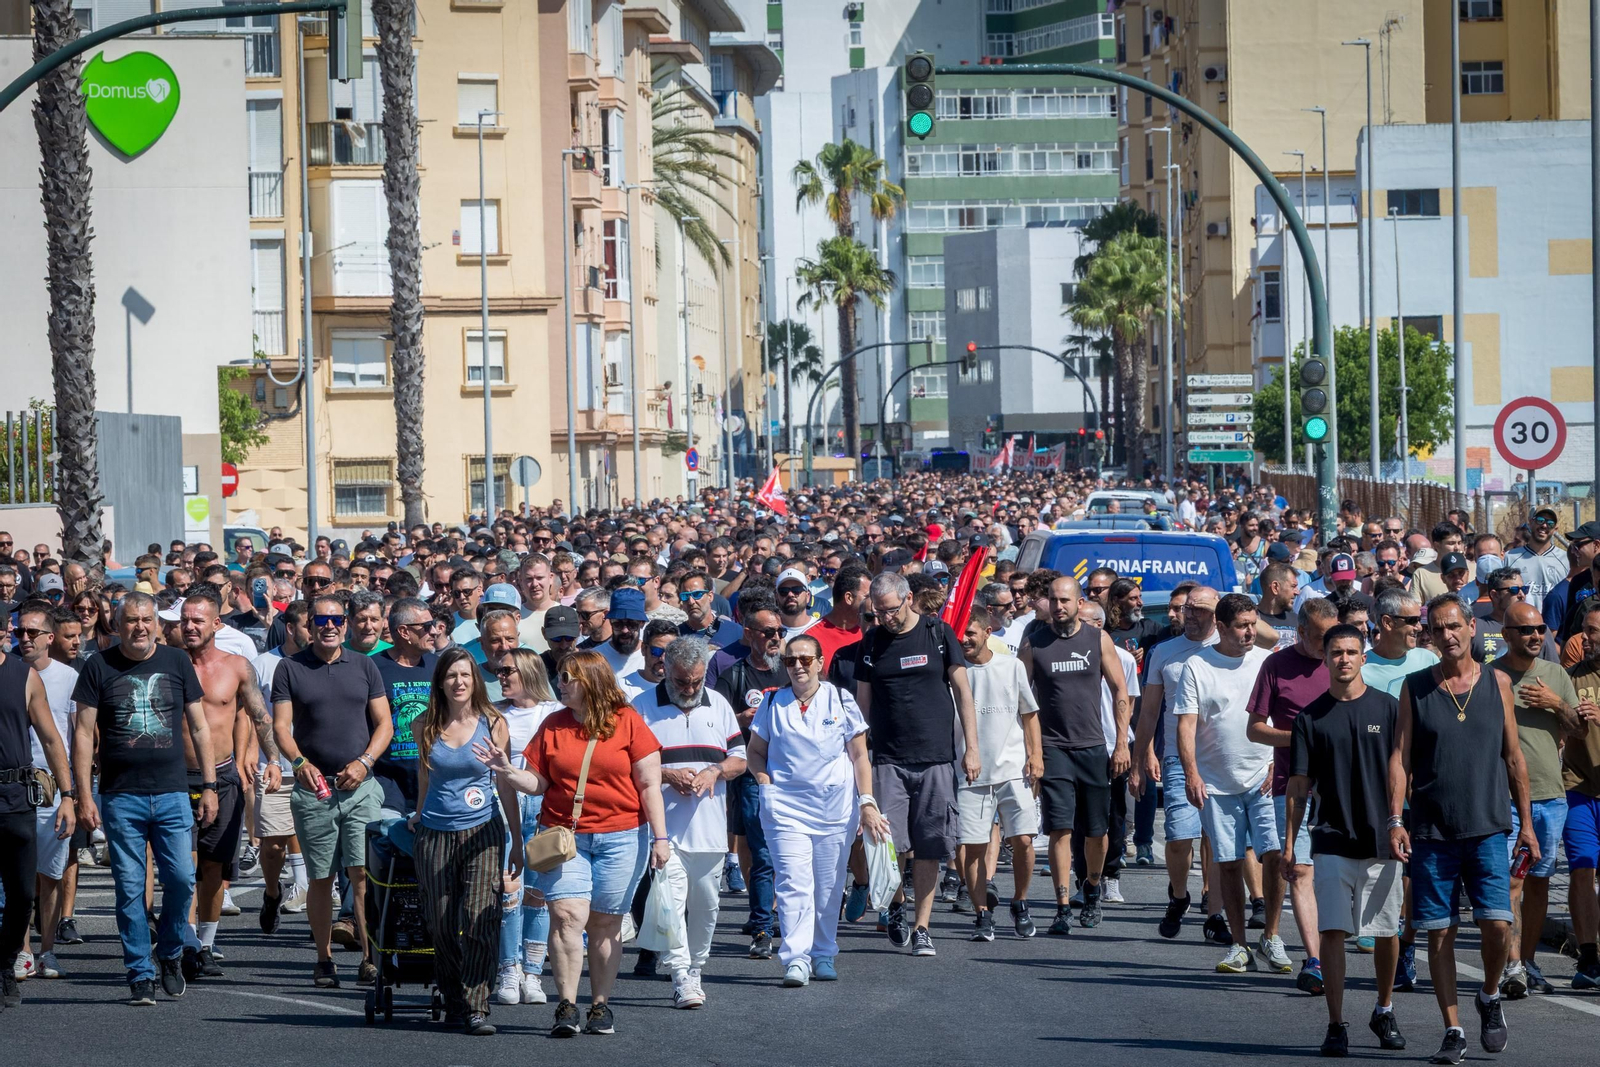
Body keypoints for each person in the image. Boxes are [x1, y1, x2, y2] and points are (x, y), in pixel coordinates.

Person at [477, 649, 668, 1038]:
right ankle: (566, 1003)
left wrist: (661, 838)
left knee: (605, 922)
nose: (559, 684)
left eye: (567, 678)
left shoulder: (628, 722)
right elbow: (538, 784)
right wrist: (509, 771)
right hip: (565, 837)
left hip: (623, 835)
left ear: (591, 682)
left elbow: (649, 785)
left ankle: (600, 1005)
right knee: (566, 916)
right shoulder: (553, 725)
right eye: (559, 676)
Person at [1389, 595, 1537, 1064]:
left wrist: (1527, 825)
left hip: (1490, 828)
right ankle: (1452, 1029)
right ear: (1428, 635)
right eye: (1436, 628)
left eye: (1454, 625)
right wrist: (1396, 818)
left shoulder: (1497, 683)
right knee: (1439, 933)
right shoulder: (1414, 687)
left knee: (1496, 926)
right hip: (1432, 833)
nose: (1447, 635)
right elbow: (1400, 758)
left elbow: (1514, 759)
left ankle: (1489, 996)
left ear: (1472, 627)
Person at [71, 592, 211, 1006]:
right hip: (120, 796)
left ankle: (169, 953)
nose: (140, 627)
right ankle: (139, 972)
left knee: (183, 881)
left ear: (156, 622)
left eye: (147, 619)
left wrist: (209, 786)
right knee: (130, 888)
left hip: (172, 792)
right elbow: (82, 734)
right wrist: (83, 794)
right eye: (131, 620)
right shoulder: (98, 666)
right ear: (117, 624)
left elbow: (200, 728)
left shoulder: (177, 661)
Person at [1283, 623, 1408, 1056]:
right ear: (1326, 657)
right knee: (1333, 932)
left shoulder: (1390, 709)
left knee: (1386, 932)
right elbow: (1298, 787)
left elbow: (1402, 772)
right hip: (1331, 839)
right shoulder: (1310, 717)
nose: (1344, 660)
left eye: (1352, 652)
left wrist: (1398, 822)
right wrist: (1289, 844)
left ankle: (1384, 1008)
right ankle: (1336, 1023)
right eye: (1336, 652)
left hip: (1381, 840)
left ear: (1364, 657)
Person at [747, 633, 888, 986]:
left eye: (805, 659)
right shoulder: (772, 702)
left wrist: (867, 802)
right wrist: (765, 784)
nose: (797, 666)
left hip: (835, 809)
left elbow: (859, 756)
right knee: (794, 883)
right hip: (785, 809)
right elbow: (755, 753)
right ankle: (795, 958)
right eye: (791, 660)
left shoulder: (841, 699)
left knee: (828, 886)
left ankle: (823, 953)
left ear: (820, 662)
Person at [271, 593, 395, 989]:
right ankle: (324, 958)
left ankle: (369, 956)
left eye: (336, 620)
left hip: (361, 786)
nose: (329, 626)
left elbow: (384, 725)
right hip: (315, 790)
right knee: (321, 877)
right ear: (307, 626)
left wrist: (365, 762)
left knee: (363, 875)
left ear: (345, 624)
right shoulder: (289, 668)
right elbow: (280, 727)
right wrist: (299, 764)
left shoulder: (364, 666)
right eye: (320, 621)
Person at [857, 571, 980, 956]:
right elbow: (862, 706)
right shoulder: (872, 641)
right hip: (889, 759)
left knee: (929, 846)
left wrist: (971, 748)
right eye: (878, 612)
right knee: (889, 843)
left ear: (908, 599)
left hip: (936, 758)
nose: (885, 619)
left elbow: (962, 692)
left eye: (890, 610)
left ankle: (922, 926)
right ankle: (896, 906)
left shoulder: (938, 633)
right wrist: (859, 756)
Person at [407, 649, 518, 1036]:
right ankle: (452, 998)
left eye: (466, 675)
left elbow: (505, 784)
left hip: (483, 831)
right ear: (440, 681)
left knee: (478, 917)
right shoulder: (424, 724)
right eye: (451, 675)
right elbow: (425, 778)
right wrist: (418, 814)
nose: (459, 682)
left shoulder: (494, 723)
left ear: (475, 680)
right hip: (435, 833)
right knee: (440, 922)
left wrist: (517, 840)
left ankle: (476, 1005)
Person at [635, 636, 747, 1008]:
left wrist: (715, 770)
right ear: (665, 669)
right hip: (664, 830)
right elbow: (629, 765)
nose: (689, 689)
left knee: (707, 906)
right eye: (682, 681)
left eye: (696, 681)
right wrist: (667, 775)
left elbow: (740, 759)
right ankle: (682, 974)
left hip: (711, 830)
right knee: (672, 902)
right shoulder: (641, 708)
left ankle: (696, 967)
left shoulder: (719, 704)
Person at [176, 587, 278, 980]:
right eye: (185, 619)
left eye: (198, 620)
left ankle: (205, 941)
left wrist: (272, 760)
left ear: (217, 623)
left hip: (222, 775)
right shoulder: (168, 663)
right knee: (182, 865)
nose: (189, 626)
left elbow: (259, 715)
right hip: (174, 777)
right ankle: (183, 941)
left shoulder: (236, 666)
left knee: (216, 865)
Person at [1019, 575, 1130, 933]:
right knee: (1060, 830)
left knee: (1097, 832)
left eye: (1065, 600)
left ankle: (1093, 889)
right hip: (1053, 750)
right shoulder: (1034, 644)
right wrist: (1031, 752)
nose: (1059, 606)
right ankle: (1063, 906)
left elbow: (1120, 692)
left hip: (1093, 748)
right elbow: (1020, 701)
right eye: (1053, 600)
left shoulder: (1097, 639)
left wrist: (1122, 743)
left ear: (1079, 603)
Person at [1174, 592, 1276, 973]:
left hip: (1264, 778)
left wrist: (1276, 765)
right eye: (1242, 626)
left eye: (1254, 624)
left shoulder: (1267, 662)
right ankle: (1239, 944)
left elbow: (1280, 719)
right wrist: (1192, 773)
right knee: (1230, 864)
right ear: (1221, 627)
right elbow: (1185, 724)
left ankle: (1272, 935)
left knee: (1275, 856)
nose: (1251, 632)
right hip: (1217, 784)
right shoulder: (1197, 666)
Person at [1244, 596, 1336, 990]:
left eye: (1333, 637)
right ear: (1300, 632)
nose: (1329, 647)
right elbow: (1255, 729)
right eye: (1320, 638)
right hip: (1290, 786)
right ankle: (1315, 961)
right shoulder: (1276, 665)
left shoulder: (1346, 663)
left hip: (1342, 788)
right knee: (1299, 869)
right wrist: (1299, 740)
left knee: (1338, 874)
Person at [1491, 602, 1579, 998]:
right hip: (1505, 798)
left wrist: (1556, 704)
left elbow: (1577, 729)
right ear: (1507, 634)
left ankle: (1526, 962)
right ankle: (1511, 965)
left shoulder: (1556, 674)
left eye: (1541, 629)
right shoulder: (1491, 676)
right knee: (1513, 881)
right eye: (1526, 630)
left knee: (1540, 883)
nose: (1536, 636)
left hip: (1551, 796)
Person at [1130, 586, 1220, 940]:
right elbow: (1149, 711)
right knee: (1180, 836)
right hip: (1178, 757)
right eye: (1188, 609)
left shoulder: (1231, 650)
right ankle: (1179, 895)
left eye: (1201, 609)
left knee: (1216, 837)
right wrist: (1141, 758)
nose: (1192, 615)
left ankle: (1215, 912)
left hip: (1221, 758)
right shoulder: (1164, 652)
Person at [1, 604, 76, 1007]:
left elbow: (55, 739)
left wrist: (70, 795)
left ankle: (23, 955)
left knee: (27, 888)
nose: (21, 638)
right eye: (19, 632)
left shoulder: (29, 677)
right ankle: (11, 962)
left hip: (23, 795)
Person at [955, 606, 1041, 941]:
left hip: (1013, 769)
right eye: (961, 634)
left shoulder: (1012, 666)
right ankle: (982, 914)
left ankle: (1020, 901)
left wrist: (1036, 756)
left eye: (971, 633)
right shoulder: (953, 671)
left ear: (988, 632)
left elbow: (1029, 713)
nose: (964, 640)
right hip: (970, 775)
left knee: (1023, 840)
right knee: (973, 848)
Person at [710, 588, 787, 956]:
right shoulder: (734, 676)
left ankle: (786, 918)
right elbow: (716, 725)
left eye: (779, 632)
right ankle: (761, 927)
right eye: (766, 632)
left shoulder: (794, 671)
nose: (774, 638)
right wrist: (739, 720)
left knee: (792, 853)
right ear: (748, 635)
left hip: (795, 774)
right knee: (763, 852)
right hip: (756, 775)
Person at [493, 649, 562, 1006]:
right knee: (509, 892)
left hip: (544, 804)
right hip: (505, 802)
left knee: (538, 895)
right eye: (499, 670)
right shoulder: (494, 713)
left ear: (530, 673)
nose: (501, 676)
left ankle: (533, 972)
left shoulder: (553, 713)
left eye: (508, 671)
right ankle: (508, 968)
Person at [252, 601, 310, 931]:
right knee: (273, 844)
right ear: (290, 628)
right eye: (307, 625)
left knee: (311, 837)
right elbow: (251, 716)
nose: (315, 631)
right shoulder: (262, 664)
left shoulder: (322, 663)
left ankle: (308, 888)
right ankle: (273, 892)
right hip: (273, 766)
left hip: (314, 767)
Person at [1564, 600, 1600, 990]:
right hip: (1577, 787)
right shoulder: (1571, 676)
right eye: (1583, 630)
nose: (1584, 639)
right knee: (1581, 868)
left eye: (1592, 632)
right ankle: (1588, 957)